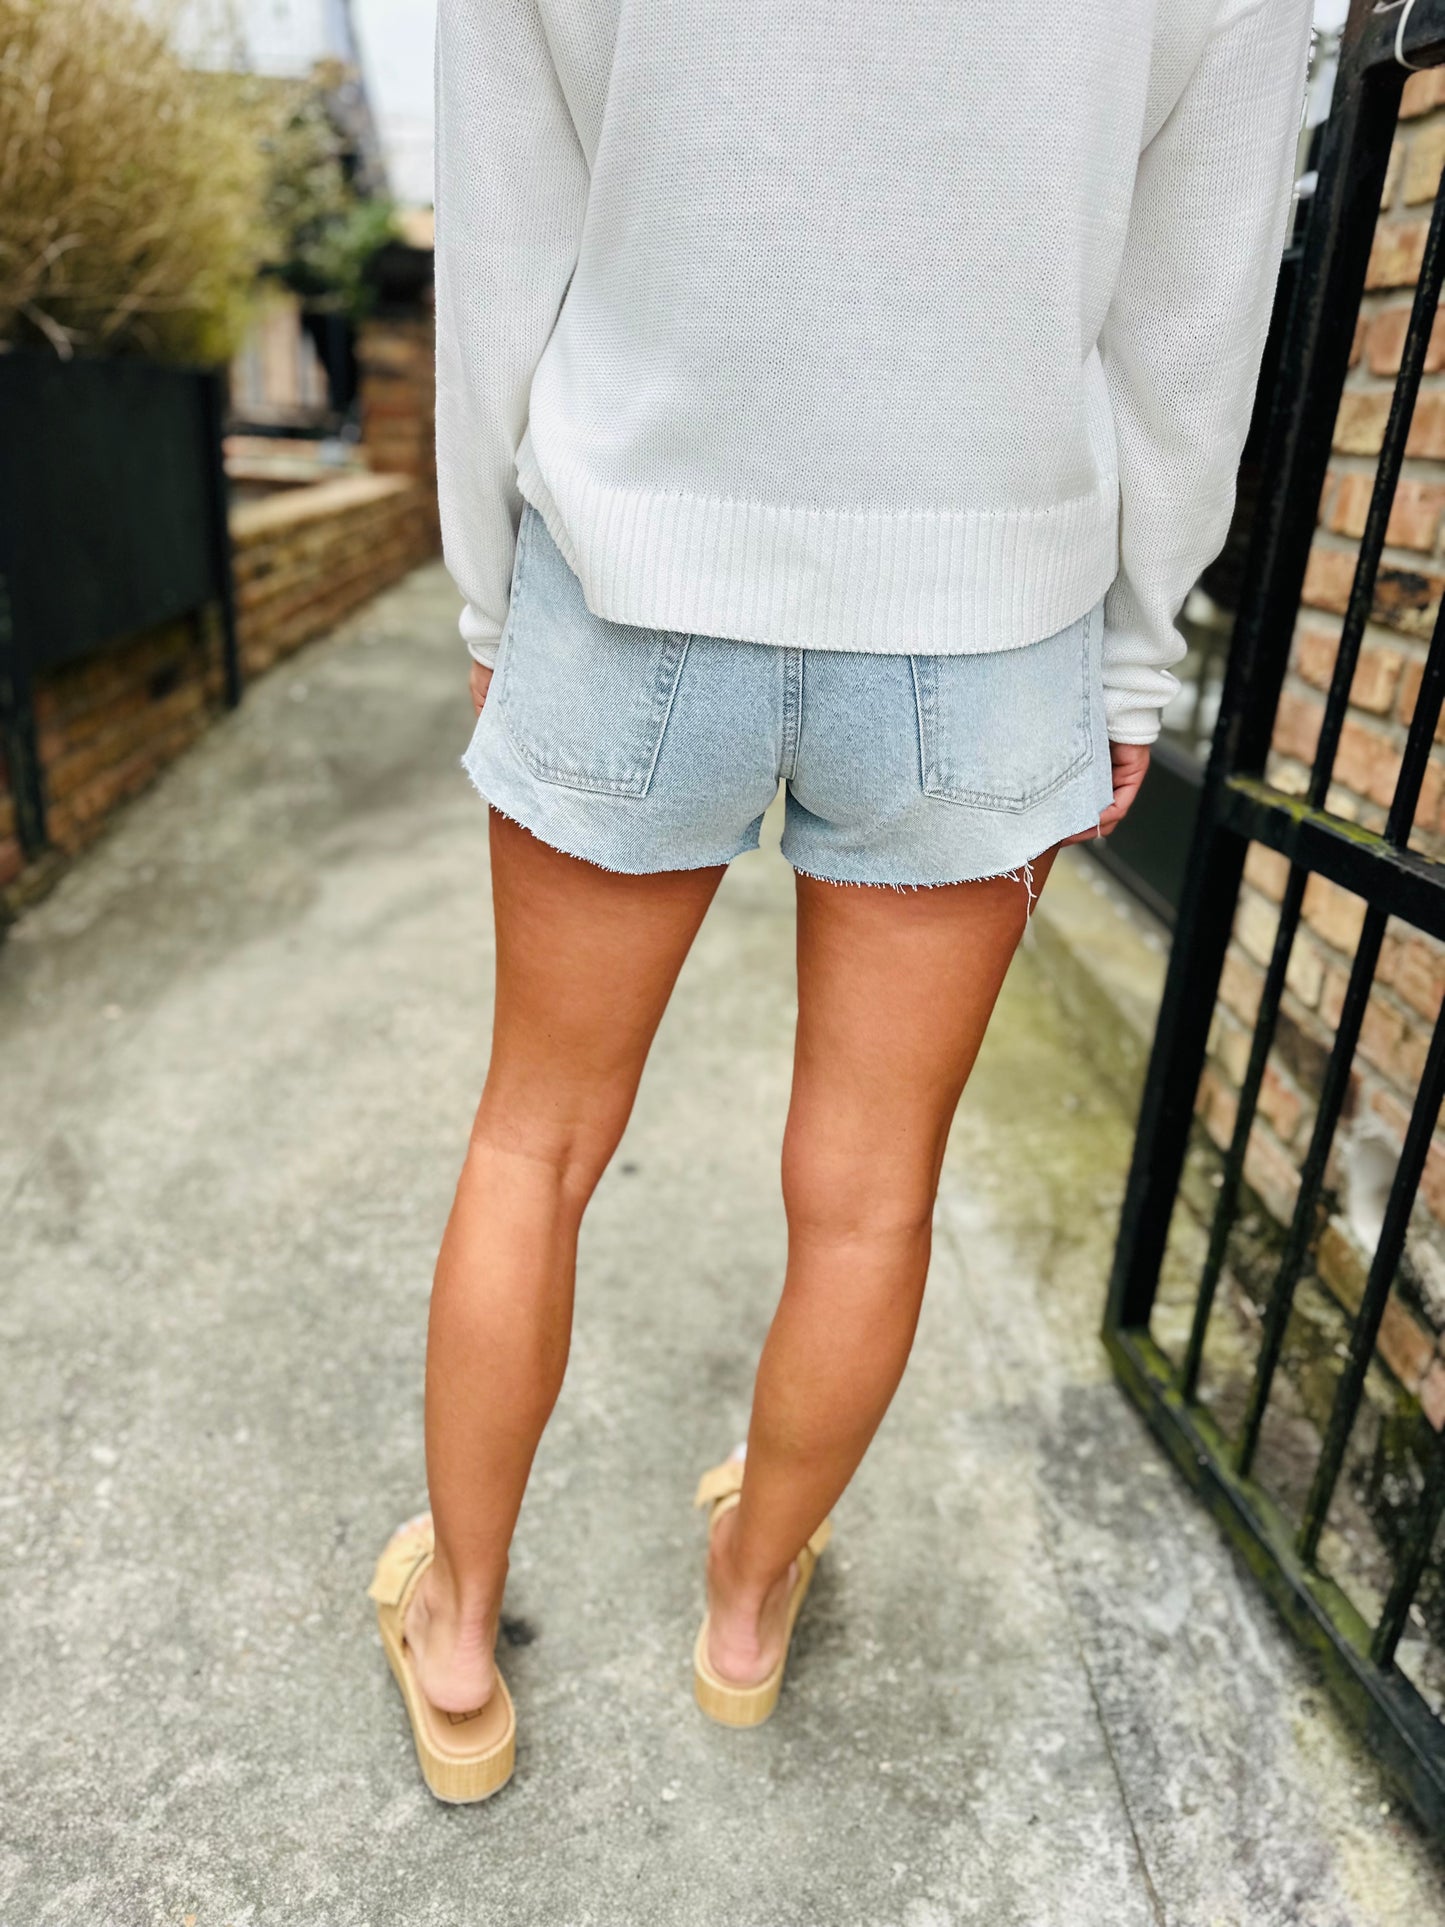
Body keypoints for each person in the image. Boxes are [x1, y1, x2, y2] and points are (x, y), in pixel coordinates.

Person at [367, 0, 1314, 1800]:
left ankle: (462, 1638)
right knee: (870, 1194)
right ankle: (741, 1614)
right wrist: (1134, 658)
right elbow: (1192, 316)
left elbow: (508, 212)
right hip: (987, 609)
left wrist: (490, 589)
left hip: (630, 566)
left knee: (534, 1139)